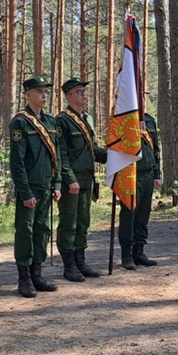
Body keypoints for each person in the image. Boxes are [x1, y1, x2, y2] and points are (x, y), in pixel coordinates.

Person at [8, 76, 68, 298]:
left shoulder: (51, 122)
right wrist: (25, 191)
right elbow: (18, 161)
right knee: (26, 230)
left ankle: (37, 273)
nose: (44, 95)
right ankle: (24, 278)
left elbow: (58, 157)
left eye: (46, 91)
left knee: (42, 229)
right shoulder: (20, 122)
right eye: (39, 91)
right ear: (27, 95)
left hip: (47, 185)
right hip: (30, 188)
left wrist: (57, 183)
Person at [56, 77, 108, 282]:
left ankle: (80, 261)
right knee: (69, 222)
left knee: (83, 221)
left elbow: (92, 149)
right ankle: (69, 266)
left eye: (84, 92)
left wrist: (113, 156)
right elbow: (62, 154)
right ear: (69, 97)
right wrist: (69, 179)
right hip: (73, 181)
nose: (84, 95)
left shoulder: (87, 119)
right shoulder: (62, 120)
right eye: (79, 92)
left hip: (87, 178)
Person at [120, 103, 162, 270]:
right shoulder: (123, 120)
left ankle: (139, 251)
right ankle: (126, 254)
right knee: (129, 215)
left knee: (143, 215)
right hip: (131, 174)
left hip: (148, 173)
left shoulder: (149, 120)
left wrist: (157, 174)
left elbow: (156, 149)